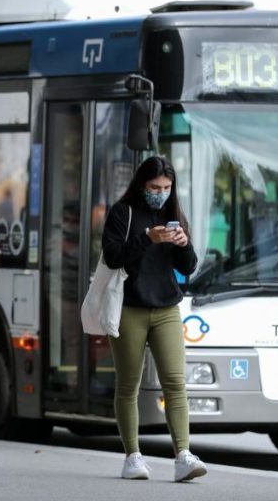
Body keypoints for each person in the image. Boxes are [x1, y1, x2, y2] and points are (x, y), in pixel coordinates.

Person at [101, 155, 207, 482]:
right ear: (142, 185)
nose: (160, 192)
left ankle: (183, 455)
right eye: (154, 187)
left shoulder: (174, 215)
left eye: (166, 187)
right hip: (130, 307)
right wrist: (148, 238)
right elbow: (113, 255)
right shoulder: (123, 213)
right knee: (129, 383)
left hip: (166, 308)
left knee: (175, 381)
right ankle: (133, 456)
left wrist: (183, 243)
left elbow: (188, 266)